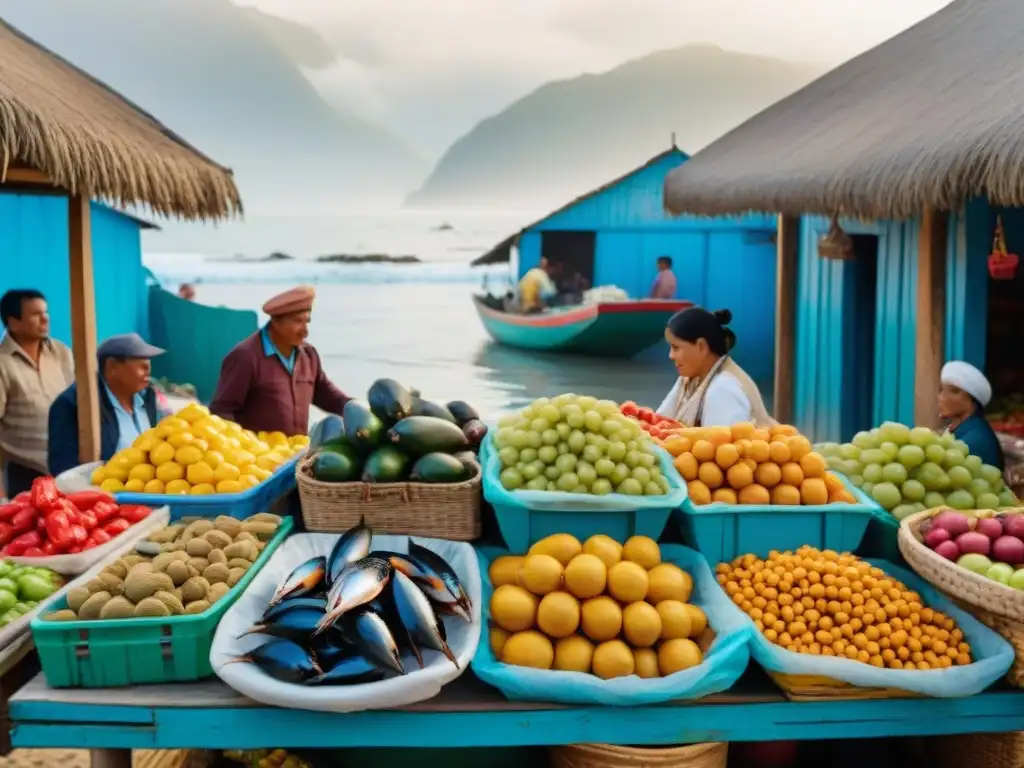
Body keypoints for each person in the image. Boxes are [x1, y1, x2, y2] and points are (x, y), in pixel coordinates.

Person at [210, 285, 350, 435]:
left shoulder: (309, 355)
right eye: (298, 321)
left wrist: (358, 409)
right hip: (257, 456)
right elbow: (221, 411)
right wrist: (243, 445)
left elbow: (328, 396)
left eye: (306, 322)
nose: (305, 330)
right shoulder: (245, 356)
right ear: (276, 322)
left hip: (297, 453)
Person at [48, 334, 165, 476]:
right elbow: (63, 470)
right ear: (112, 367)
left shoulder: (146, 397)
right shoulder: (75, 405)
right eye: (141, 365)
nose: (148, 370)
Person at [0, 289, 74, 496]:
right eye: (35, 314)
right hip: (25, 474)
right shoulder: (3, 363)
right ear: (13, 322)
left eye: (45, 312)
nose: (45, 319)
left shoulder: (61, 352)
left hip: (67, 469)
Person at [656, 307, 773, 427]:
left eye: (676, 347)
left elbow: (716, 444)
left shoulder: (724, 388)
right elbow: (658, 421)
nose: (671, 356)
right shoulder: (690, 378)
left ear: (701, 346)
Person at [939, 361, 1004, 470]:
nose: (941, 397)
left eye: (954, 391)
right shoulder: (960, 428)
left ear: (973, 401)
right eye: (941, 390)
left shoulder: (974, 439)